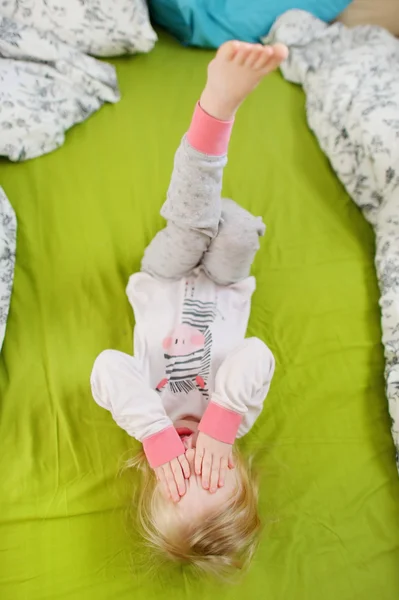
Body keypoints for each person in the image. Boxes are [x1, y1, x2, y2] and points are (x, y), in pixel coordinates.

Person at [90, 39, 288, 577]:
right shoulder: (237, 416)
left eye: (180, 485)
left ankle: (216, 109)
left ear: (157, 476)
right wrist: (221, 421)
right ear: (236, 469)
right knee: (241, 232)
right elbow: (256, 355)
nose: (195, 468)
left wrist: (155, 433)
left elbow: (106, 369)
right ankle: (220, 215)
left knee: (194, 224)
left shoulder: (143, 415)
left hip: (166, 274)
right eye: (213, 476)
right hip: (225, 284)